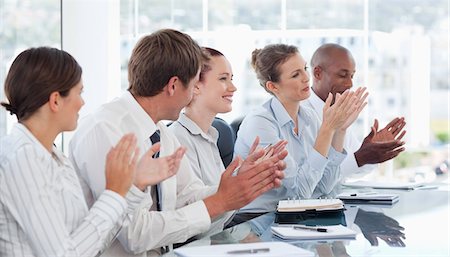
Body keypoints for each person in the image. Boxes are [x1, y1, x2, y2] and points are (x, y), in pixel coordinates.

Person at [69, 29, 287, 256]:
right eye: (193, 85)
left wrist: (237, 184)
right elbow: (134, 234)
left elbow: (186, 197)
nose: (195, 92)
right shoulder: (106, 130)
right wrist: (219, 202)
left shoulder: (161, 133)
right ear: (173, 86)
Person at [0, 47, 185, 257]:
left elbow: (95, 244)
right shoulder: (23, 159)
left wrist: (133, 186)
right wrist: (114, 193)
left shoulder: (55, 158)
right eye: (79, 93)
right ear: (55, 100)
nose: (82, 103)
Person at [234, 44, 367, 212]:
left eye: (304, 69)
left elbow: (325, 186)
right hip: (257, 223)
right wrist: (327, 130)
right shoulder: (260, 123)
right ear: (273, 86)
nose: (306, 77)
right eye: (296, 74)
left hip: (293, 219)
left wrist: (340, 130)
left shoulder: (309, 117)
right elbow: (299, 193)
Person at [170, 47, 288, 186]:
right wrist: (240, 181)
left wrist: (245, 175)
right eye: (223, 79)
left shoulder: (210, 135)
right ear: (195, 85)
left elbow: (219, 196)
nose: (233, 87)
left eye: (230, 78)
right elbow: (198, 202)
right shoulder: (178, 139)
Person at [305, 43, 406, 178]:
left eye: (352, 76)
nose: (350, 84)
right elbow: (313, 179)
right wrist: (360, 157)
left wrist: (372, 151)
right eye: (342, 75)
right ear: (317, 73)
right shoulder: (301, 113)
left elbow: (351, 171)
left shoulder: (340, 112)